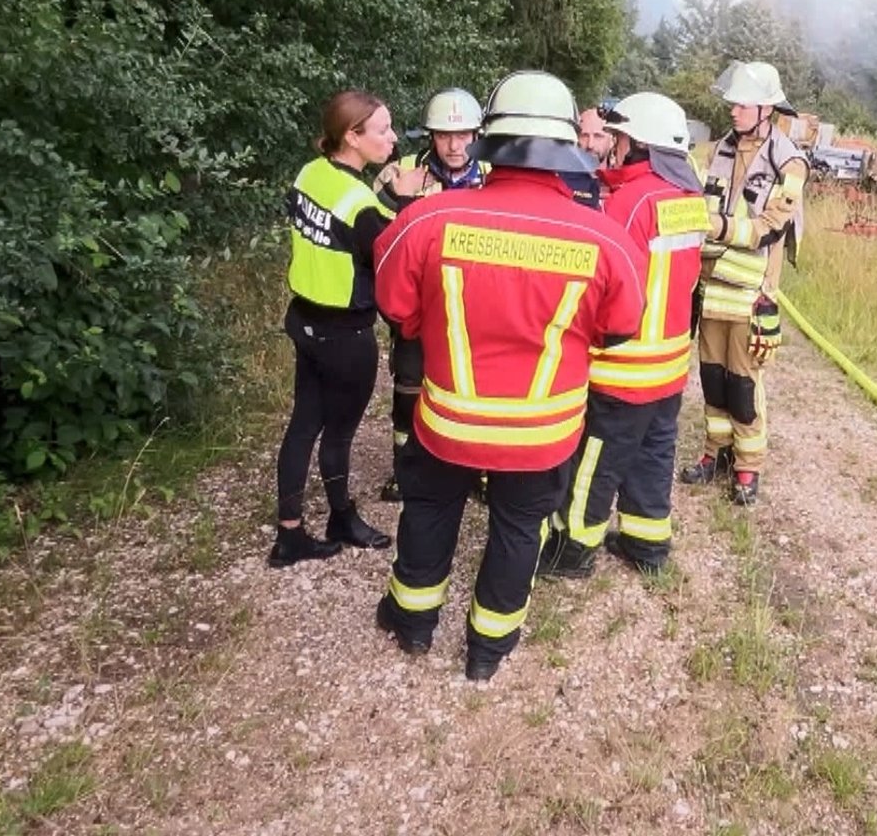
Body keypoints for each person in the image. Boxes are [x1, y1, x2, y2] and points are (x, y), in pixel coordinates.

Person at [372, 70, 645, 681]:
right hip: (542, 429)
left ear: (488, 140)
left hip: (449, 420)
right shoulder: (603, 237)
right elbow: (620, 326)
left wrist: (430, 326)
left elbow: (396, 305)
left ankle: (413, 624)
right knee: (520, 528)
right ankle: (487, 651)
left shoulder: (427, 219)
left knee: (431, 510)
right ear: (564, 147)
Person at [539, 93, 708, 578]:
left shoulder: (631, 203)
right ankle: (646, 543)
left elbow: (605, 281)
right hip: (670, 363)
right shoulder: (689, 199)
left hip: (624, 365)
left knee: (596, 461)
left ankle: (571, 551)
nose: (612, 146)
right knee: (654, 453)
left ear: (639, 143)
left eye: (618, 137)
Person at [270, 89, 421, 567]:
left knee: (302, 426)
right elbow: (391, 254)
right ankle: (342, 517)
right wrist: (403, 198)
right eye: (382, 131)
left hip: (306, 320)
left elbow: (326, 226)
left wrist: (383, 195)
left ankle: (289, 534)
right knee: (338, 434)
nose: (393, 139)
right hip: (346, 334)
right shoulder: (361, 203)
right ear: (352, 138)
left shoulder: (309, 173)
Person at [680, 61, 808, 507]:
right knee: (712, 379)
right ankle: (715, 453)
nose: (733, 109)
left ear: (766, 109)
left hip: (752, 293)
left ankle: (748, 468)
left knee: (743, 383)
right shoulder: (718, 150)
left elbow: (769, 227)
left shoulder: (789, 161)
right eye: (732, 101)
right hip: (712, 286)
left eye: (742, 103)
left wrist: (714, 226)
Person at [372, 88, 489, 504]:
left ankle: (474, 471)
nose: (455, 146)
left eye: (463, 136)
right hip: (419, 308)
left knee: (475, 392)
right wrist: (398, 197)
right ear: (430, 137)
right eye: (444, 136)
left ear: (478, 133)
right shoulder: (401, 171)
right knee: (409, 389)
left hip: (477, 309)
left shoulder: (495, 174)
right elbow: (377, 240)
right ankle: (405, 472)